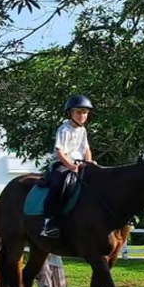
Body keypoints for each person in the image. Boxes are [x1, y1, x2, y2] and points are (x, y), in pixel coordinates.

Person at [43, 94, 97, 239]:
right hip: (62, 163)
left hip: (80, 163)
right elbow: (59, 151)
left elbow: (86, 149)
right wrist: (70, 166)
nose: (82, 116)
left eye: (85, 112)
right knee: (57, 185)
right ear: (70, 113)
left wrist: (89, 163)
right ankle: (48, 223)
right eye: (79, 112)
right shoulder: (64, 129)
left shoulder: (82, 130)